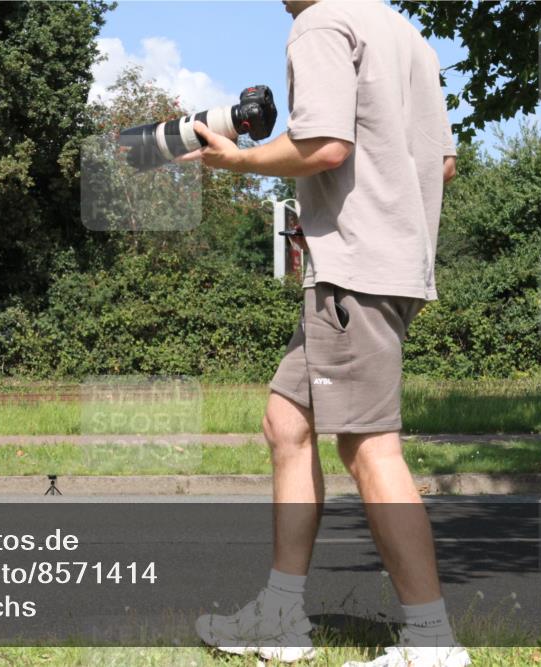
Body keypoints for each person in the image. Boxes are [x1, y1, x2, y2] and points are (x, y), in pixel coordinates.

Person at [179, 1, 465, 665]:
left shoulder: (319, 22)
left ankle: (431, 643)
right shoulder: (406, 34)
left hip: (355, 271)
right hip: (393, 265)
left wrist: (238, 161)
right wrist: (379, 206)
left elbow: (325, 145)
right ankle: (280, 614)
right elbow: (442, 163)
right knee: (286, 422)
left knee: (368, 447)